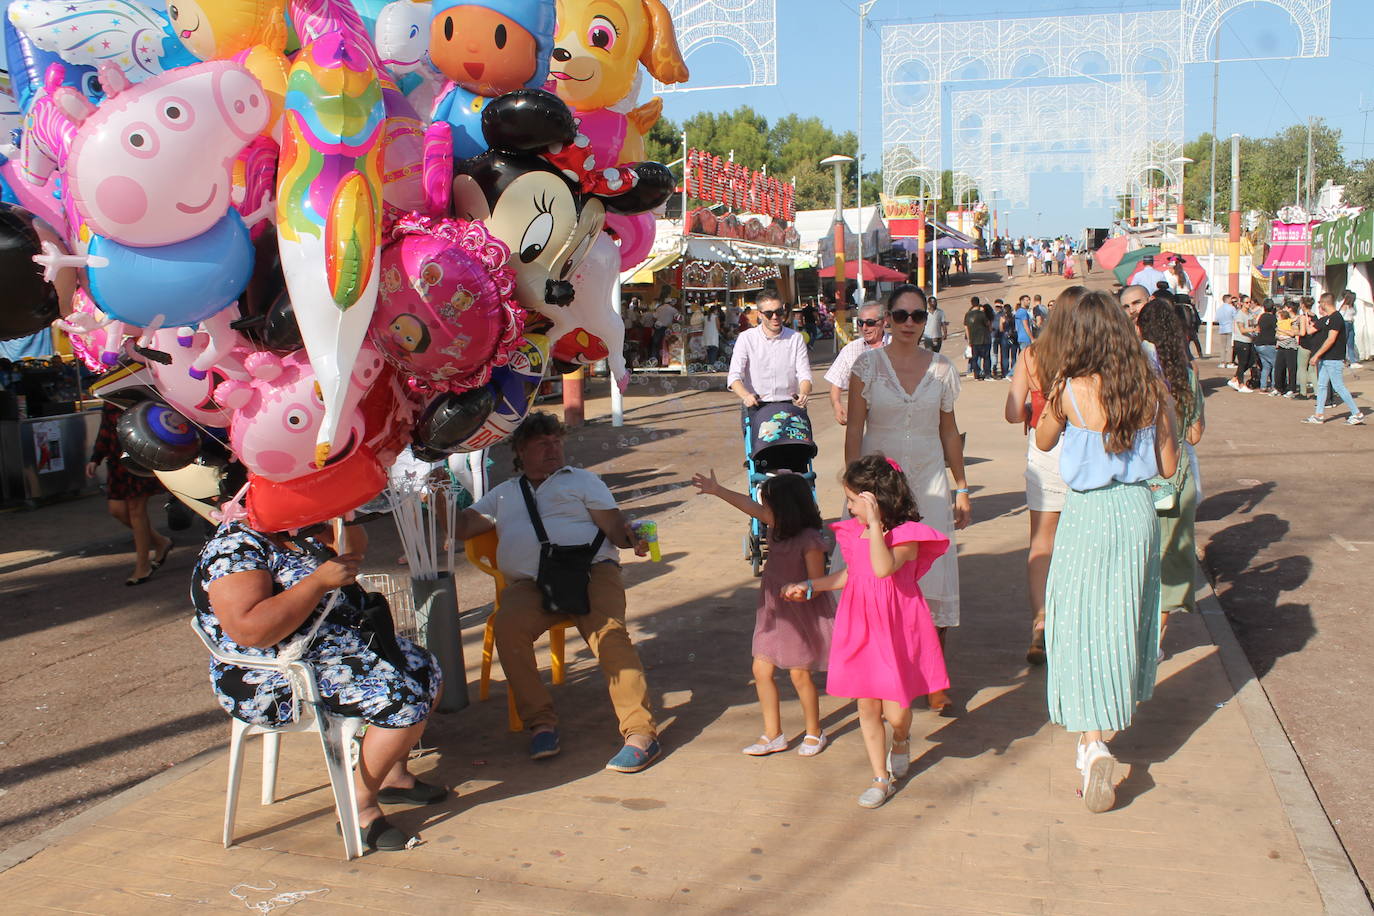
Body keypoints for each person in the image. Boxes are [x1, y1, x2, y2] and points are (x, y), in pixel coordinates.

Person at [195, 521, 443, 851]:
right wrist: (317, 583)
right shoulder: (235, 547)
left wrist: (339, 517)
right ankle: (358, 807)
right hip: (270, 675)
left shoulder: (300, 525)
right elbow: (252, 631)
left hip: (325, 650)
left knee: (425, 668)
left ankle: (392, 776)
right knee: (403, 698)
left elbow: (355, 547)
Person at [1034, 290, 1179, 813]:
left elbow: (1044, 441)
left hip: (1088, 513)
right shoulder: (1150, 387)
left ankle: (1092, 744)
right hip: (1136, 512)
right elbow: (1167, 466)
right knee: (1121, 620)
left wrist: (1059, 403)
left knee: (1077, 621)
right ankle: (1099, 739)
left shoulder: (1068, 389)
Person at [451, 412, 663, 770]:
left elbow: (615, 528)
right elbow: (463, 528)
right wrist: (434, 500)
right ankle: (541, 722)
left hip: (591, 572)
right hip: (531, 585)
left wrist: (634, 538)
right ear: (520, 450)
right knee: (508, 628)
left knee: (610, 635)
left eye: (557, 442)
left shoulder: (583, 480)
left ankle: (641, 733)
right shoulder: (503, 494)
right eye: (542, 443)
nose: (553, 449)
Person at [781, 455, 949, 808]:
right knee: (868, 707)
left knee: (897, 714)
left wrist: (874, 526)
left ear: (876, 500)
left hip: (897, 626)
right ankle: (879, 777)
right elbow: (853, 575)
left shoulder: (906, 537)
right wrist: (811, 585)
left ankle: (900, 740)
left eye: (854, 499)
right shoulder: (852, 533)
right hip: (860, 626)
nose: (849, 506)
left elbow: (882, 568)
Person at [846, 284, 970, 714]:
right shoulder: (867, 365)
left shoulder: (942, 368)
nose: (909, 325)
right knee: (880, 577)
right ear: (886, 320)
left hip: (931, 482)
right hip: (880, 486)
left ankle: (934, 678)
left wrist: (962, 487)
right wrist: (853, 489)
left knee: (933, 576)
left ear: (927, 320)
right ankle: (885, 669)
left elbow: (949, 431)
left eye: (918, 316)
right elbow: (853, 432)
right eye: (900, 316)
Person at [693, 470, 835, 756]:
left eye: (768, 503)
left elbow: (817, 584)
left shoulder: (810, 540)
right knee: (761, 669)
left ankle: (813, 732)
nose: (763, 509)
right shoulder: (777, 524)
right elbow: (749, 506)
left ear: (786, 507)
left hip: (801, 613)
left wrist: (801, 589)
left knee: (799, 675)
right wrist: (717, 490)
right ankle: (773, 733)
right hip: (773, 611)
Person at [1005, 285, 1086, 666]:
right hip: (1086, 451)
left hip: (1044, 449)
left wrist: (1027, 409)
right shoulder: (1089, 355)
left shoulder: (1031, 355)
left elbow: (1010, 411)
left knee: (1041, 542)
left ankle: (1040, 620)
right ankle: (1075, 621)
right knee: (1082, 542)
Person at [1136, 300, 1205, 641]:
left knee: (1142, 561)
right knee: (1170, 564)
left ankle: (1139, 635)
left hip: (1144, 479)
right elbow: (1194, 434)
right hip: (1177, 480)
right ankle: (1158, 640)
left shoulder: (1136, 375)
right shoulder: (1187, 374)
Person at [87, 402, 174, 586]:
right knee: (116, 509)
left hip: (139, 456)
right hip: (116, 462)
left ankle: (142, 566)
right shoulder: (111, 394)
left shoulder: (138, 391)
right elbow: (106, 426)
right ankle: (160, 542)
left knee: (136, 511)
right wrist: (96, 457)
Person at [727, 290, 813, 412]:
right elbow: (734, 376)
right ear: (759, 314)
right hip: (756, 405)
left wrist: (803, 393)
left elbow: (805, 374)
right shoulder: (746, 338)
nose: (775, 317)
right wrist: (746, 396)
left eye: (779, 312)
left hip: (788, 405)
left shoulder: (795, 338)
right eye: (769, 313)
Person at [1304, 293, 1366, 425]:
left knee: (1338, 386)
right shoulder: (1329, 318)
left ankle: (1357, 413)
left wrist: (1316, 355)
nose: (1319, 305)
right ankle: (1319, 415)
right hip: (1326, 358)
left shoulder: (1336, 318)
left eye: (1320, 303)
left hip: (1334, 358)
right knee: (1321, 385)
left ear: (1325, 304)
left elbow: (1331, 339)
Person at [826, 301, 888, 425]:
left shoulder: (898, 346)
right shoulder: (850, 350)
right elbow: (836, 385)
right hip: (865, 422)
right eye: (861, 323)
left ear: (884, 322)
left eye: (870, 323)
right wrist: (837, 405)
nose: (864, 328)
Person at [1228, 297, 1259, 392]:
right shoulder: (1239, 314)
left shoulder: (1250, 313)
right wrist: (1253, 330)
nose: (1249, 304)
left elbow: (1253, 324)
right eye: (1246, 302)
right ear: (1242, 303)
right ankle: (1240, 384)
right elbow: (1242, 330)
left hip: (1249, 340)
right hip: (1241, 341)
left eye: (1250, 302)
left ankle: (1234, 378)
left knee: (1251, 360)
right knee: (1242, 363)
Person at [1295, 297, 1321, 399]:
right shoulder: (1315, 316)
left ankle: (1303, 392)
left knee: (1302, 369)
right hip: (1314, 345)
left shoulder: (1302, 317)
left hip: (1304, 344)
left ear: (1302, 305)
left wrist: (1293, 332)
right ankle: (1317, 392)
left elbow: (1302, 332)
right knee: (1313, 370)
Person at [963, 296, 991, 380]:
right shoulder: (982, 314)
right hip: (984, 339)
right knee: (986, 358)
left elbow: (966, 327)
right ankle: (987, 374)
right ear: (978, 303)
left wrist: (969, 340)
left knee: (975, 358)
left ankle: (976, 374)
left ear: (971, 303)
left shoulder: (968, 314)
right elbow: (988, 324)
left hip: (973, 340)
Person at [1252, 300, 1278, 393]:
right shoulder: (1273, 318)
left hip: (1259, 344)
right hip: (1269, 344)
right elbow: (1277, 330)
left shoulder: (1261, 317)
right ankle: (1274, 386)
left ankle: (1263, 386)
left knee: (1266, 366)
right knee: (1275, 365)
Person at [1275, 302, 1300, 397]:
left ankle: (1292, 389)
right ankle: (1278, 387)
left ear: (1289, 309)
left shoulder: (1294, 320)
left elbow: (1294, 333)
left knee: (1291, 368)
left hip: (1291, 346)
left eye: (1285, 307)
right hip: (1281, 346)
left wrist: (1281, 331)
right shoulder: (1281, 320)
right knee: (1278, 368)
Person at [652, 296, 680, 362]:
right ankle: (666, 360)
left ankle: (654, 359)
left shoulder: (659, 308)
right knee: (667, 344)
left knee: (656, 343)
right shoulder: (673, 309)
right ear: (671, 302)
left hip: (658, 328)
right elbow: (678, 318)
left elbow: (654, 318)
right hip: (668, 328)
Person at [1213, 294, 1237, 366]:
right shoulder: (1232, 308)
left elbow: (1216, 319)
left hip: (1222, 328)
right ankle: (1229, 362)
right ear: (1227, 299)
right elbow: (1236, 317)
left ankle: (1222, 362)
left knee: (1222, 346)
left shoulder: (1219, 309)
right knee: (1229, 346)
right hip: (1229, 328)